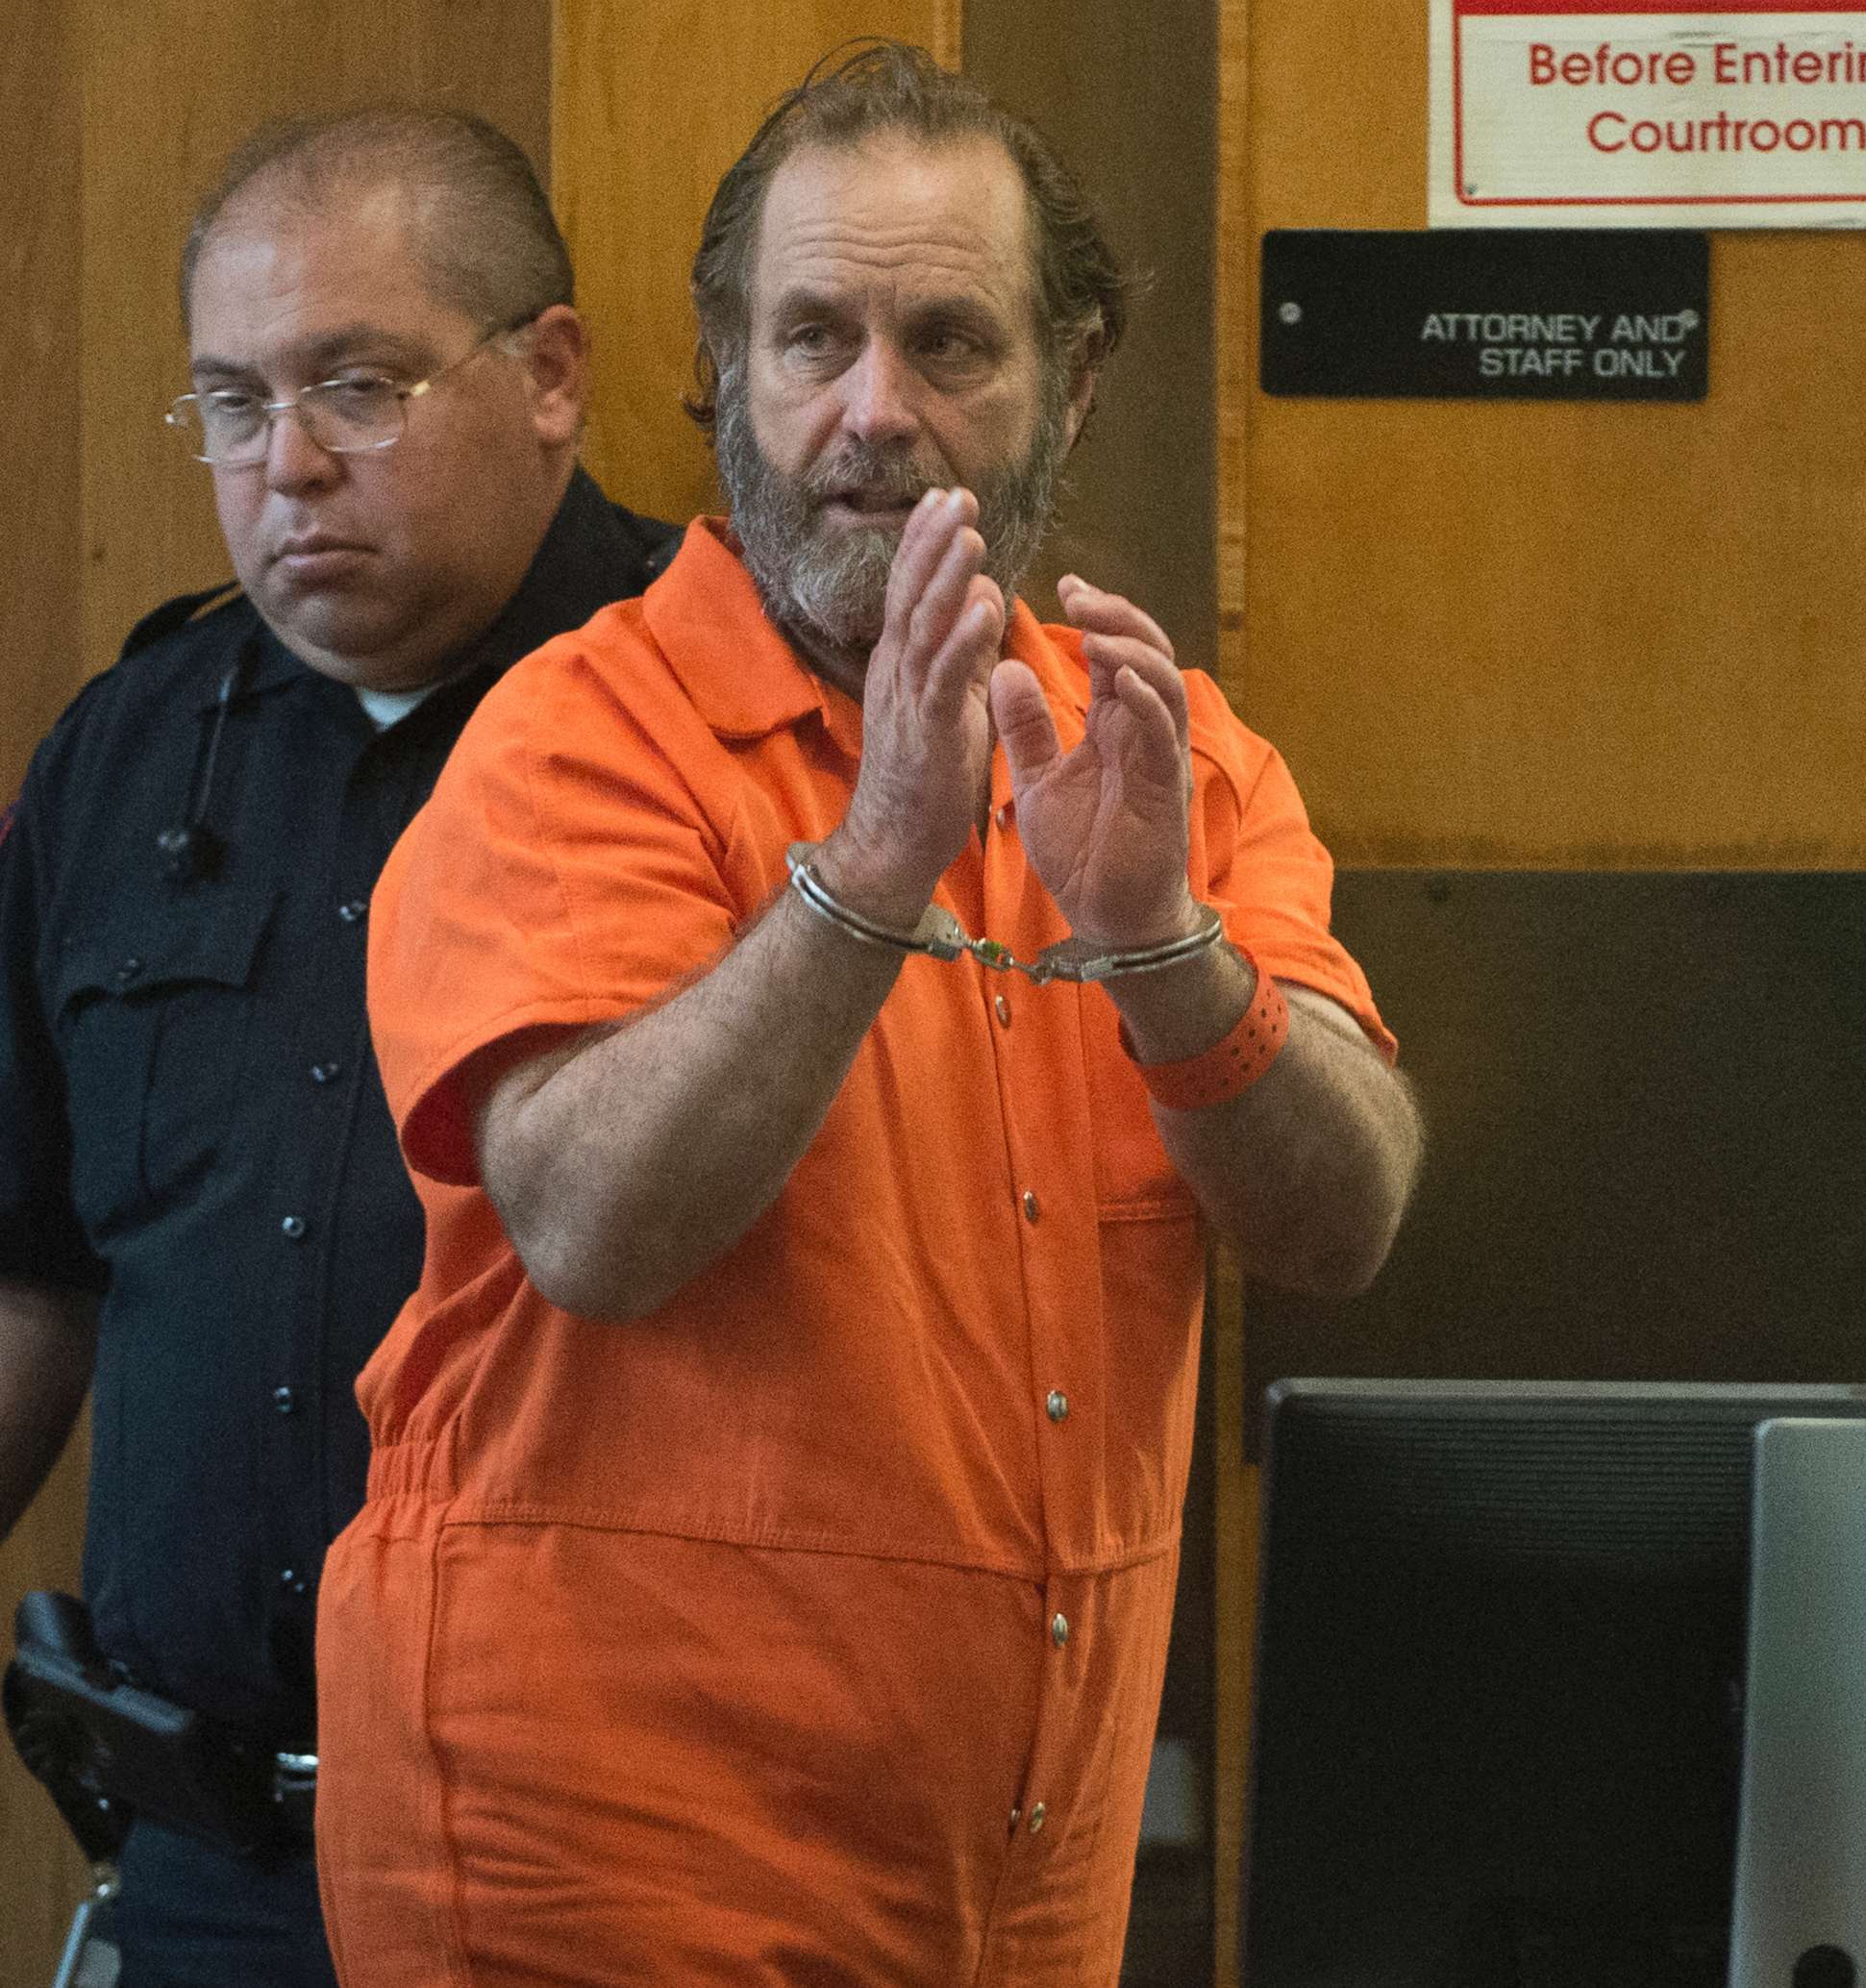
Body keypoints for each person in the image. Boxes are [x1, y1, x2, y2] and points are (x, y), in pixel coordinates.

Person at [316, 40, 1423, 1987]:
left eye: (947, 344)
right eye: (811, 337)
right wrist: (875, 859)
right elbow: (588, 1221)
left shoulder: (1167, 757)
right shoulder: (579, 734)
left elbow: (1343, 1219)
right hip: (606, 1869)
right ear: (727, 373)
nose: (871, 413)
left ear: (1068, 381)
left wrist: (1161, 943)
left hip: (1012, 1882)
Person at [0, 109, 675, 1986]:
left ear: (550, 372)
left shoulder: (715, 721)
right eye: (231, 403)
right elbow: (15, 1255)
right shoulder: (130, 746)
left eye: (359, 387)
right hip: (214, 1864)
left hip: (619, 1879)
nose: (285, 465)